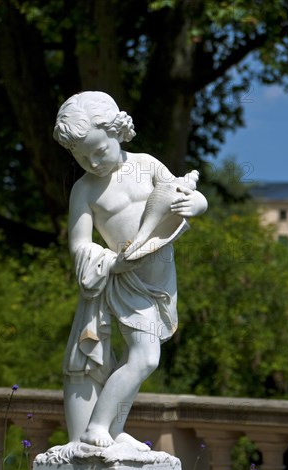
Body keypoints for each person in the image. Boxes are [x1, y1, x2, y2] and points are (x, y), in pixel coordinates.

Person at [53, 91, 207, 449]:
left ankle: (113, 428)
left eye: (99, 151)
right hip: (123, 280)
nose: (92, 162)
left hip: (159, 278)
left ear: (118, 132)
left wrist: (196, 204)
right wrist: (112, 262)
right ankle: (97, 427)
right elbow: (79, 245)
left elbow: (180, 191)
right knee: (144, 357)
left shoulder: (147, 165)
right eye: (82, 156)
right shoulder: (84, 190)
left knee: (134, 358)